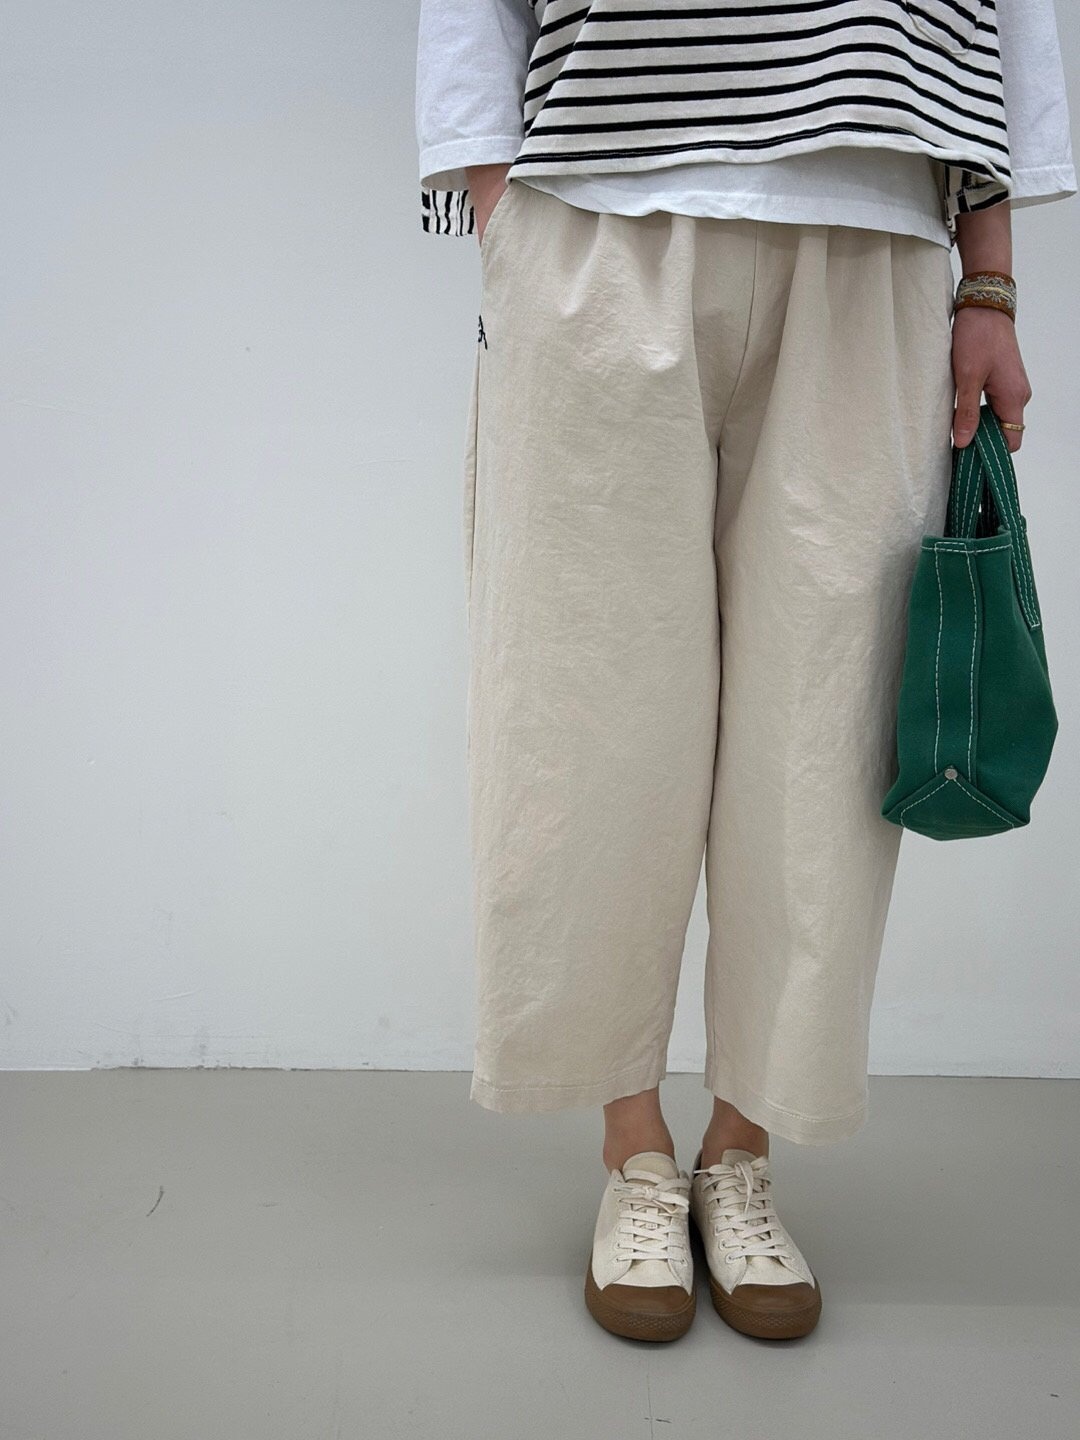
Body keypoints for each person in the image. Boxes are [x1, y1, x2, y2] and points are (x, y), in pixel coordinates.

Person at [415, 0, 1076, 1343]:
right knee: (590, 708)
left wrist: (991, 278)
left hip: (875, 228)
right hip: (600, 216)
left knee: (825, 722)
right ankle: (633, 1151)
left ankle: (741, 1146)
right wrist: (501, 213)